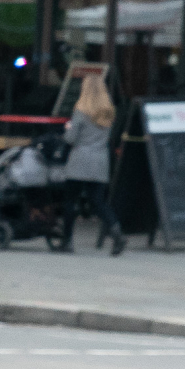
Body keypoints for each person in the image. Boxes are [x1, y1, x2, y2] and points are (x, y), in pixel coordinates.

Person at [59, 76, 122, 253]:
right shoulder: (109, 112)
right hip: (100, 162)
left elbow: (71, 139)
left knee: (70, 201)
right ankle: (116, 231)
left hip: (80, 161)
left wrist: (67, 129)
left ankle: (67, 241)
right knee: (98, 202)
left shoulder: (81, 111)